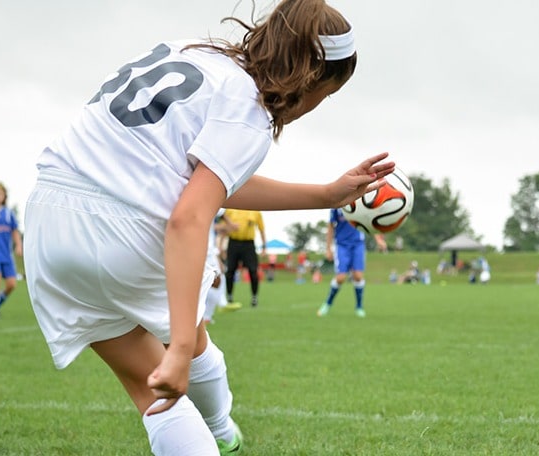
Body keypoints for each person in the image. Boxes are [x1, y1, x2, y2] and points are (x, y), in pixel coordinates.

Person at [22, 2, 394, 454]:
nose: (319, 104)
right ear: (309, 75)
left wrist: (324, 195)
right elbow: (189, 216)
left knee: (150, 386)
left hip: (49, 217)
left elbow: (203, 178)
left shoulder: (192, 53)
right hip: (126, 226)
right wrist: (176, 347)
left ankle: (221, 428)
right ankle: (219, 427)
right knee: (186, 357)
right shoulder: (248, 108)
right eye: (328, 93)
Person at [317, 208, 381, 317]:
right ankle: (327, 304)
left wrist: (378, 239)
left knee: (358, 276)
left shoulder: (360, 202)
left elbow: (369, 221)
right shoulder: (336, 206)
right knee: (341, 277)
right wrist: (328, 248)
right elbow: (331, 226)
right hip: (342, 245)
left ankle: (359, 307)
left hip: (358, 244)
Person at [0, 183, 22, 320]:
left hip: (7, 255)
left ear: (4, 197)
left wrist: (19, 245)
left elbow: (15, 231)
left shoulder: (8, 214)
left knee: (12, 284)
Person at [222, 209, 267, 307]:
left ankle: (254, 297)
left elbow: (262, 230)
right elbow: (223, 228)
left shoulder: (255, 212)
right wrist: (221, 246)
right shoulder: (230, 210)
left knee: (253, 271)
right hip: (233, 242)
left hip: (248, 244)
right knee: (230, 270)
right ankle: (229, 296)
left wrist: (264, 248)